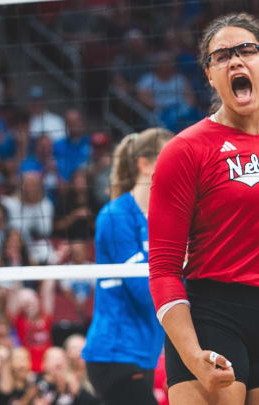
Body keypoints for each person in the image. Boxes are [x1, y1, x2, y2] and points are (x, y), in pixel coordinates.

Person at [148, 13, 259, 405]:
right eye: (221, 56)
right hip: (214, 315)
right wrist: (192, 357)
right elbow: (163, 268)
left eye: (247, 50)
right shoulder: (185, 151)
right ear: (210, 75)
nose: (236, 61)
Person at [82, 128, 173, 405]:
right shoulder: (116, 215)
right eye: (168, 158)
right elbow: (144, 293)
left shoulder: (165, 215)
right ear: (144, 165)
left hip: (144, 353)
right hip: (114, 355)